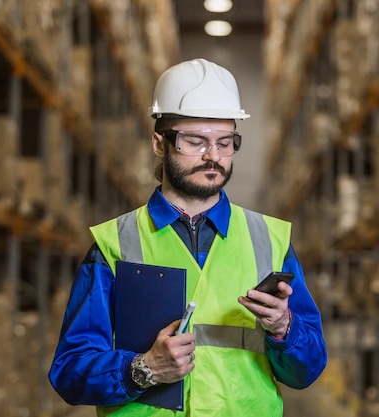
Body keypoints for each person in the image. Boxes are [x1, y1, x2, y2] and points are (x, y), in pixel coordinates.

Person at [48, 58, 327, 416]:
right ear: (158, 143)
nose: (213, 156)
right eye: (195, 141)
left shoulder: (270, 240)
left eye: (225, 143)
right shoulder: (114, 245)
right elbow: (70, 372)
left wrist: (284, 329)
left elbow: (307, 371)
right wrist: (142, 369)